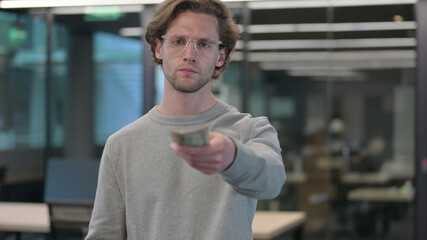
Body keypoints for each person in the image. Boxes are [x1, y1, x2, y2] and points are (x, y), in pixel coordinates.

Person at [85, 0, 285, 239]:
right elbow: (104, 235)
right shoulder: (121, 144)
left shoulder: (250, 130)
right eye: (178, 41)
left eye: (204, 44)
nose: (190, 55)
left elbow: (272, 181)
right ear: (159, 48)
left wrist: (233, 157)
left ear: (220, 56)